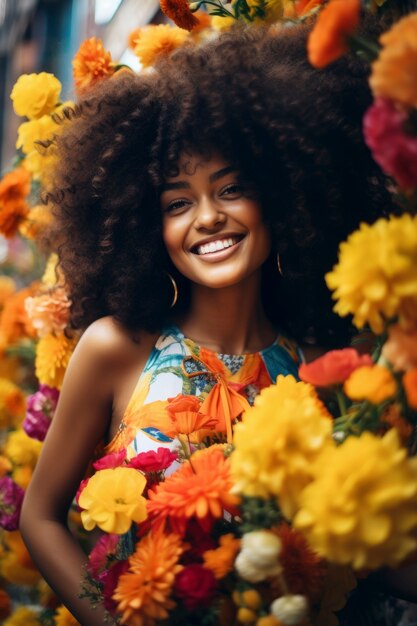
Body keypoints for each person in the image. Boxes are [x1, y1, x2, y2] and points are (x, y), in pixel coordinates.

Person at [19, 22, 406, 626]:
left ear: (281, 198)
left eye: (232, 189)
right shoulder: (116, 349)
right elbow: (39, 517)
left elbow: (361, 551)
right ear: (149, 227)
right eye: (178, 202)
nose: (207, 218)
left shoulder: (320, 367)